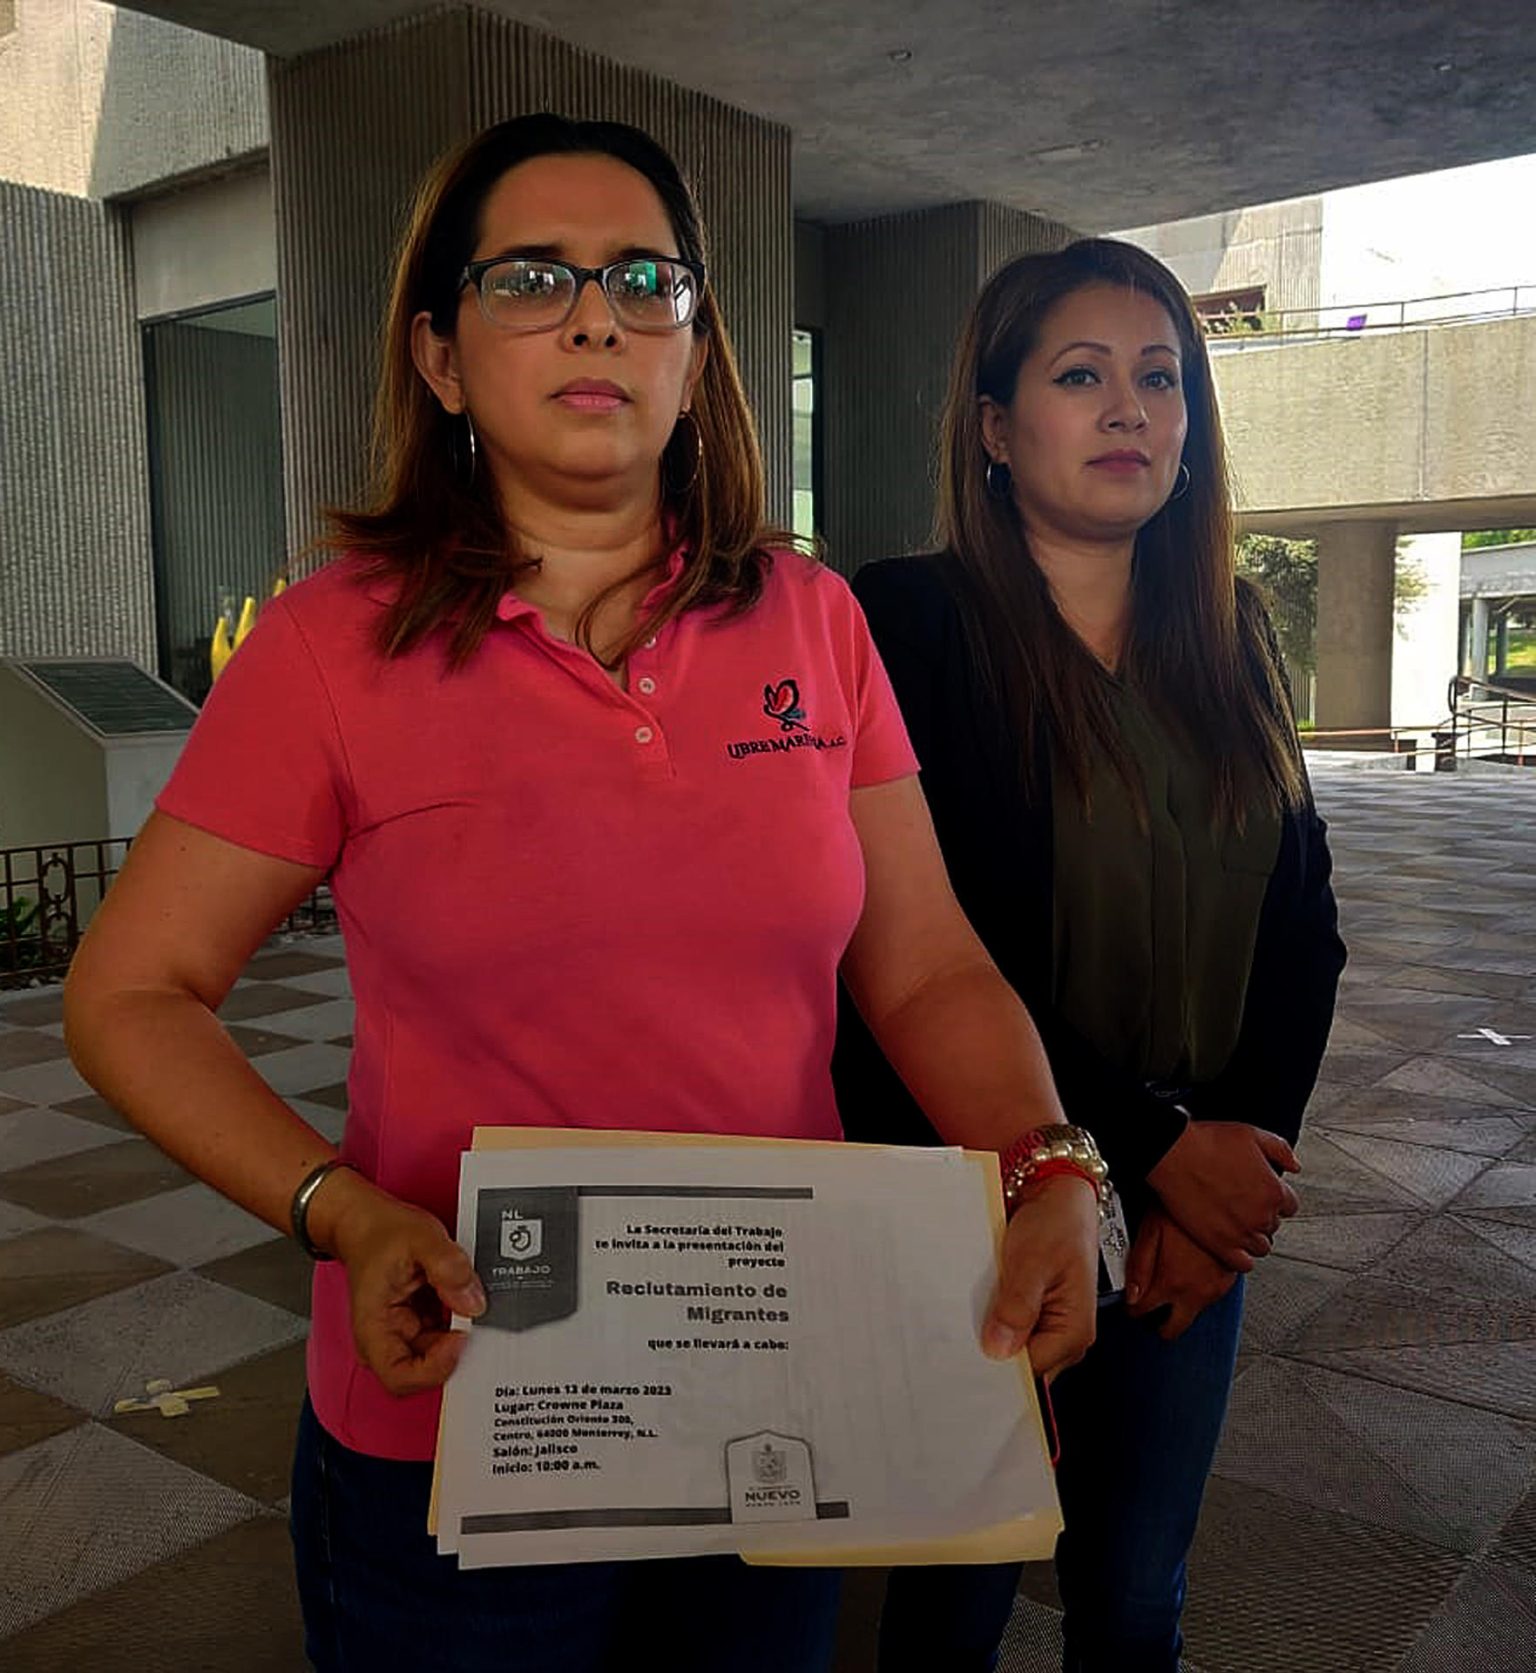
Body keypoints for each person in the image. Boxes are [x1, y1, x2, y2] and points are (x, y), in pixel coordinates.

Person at [62, 115, 1103, 1673]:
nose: (597, 315)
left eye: (644, 280)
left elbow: (928, 968)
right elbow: (128, 994)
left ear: (696, 347)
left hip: (773, 1389)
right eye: (533, 277)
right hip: (465, 1405)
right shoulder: (334, 645)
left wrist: (1053, 1164)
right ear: (438, 352)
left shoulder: (812, 621)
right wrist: (338, 1214)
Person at [833, 238, 1346, 1672]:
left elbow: (1304, 924)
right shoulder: (911, 624)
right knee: (958, 1590)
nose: (1131, 409)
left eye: (1160, 378)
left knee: (1134, 1598)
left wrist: (1236, 1163)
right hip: (980, 1187)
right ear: (996, 430)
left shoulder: (1231, 631)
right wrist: (1155, 1141)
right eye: (1081, 376)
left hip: (1197, 1202)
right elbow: (929, 943)